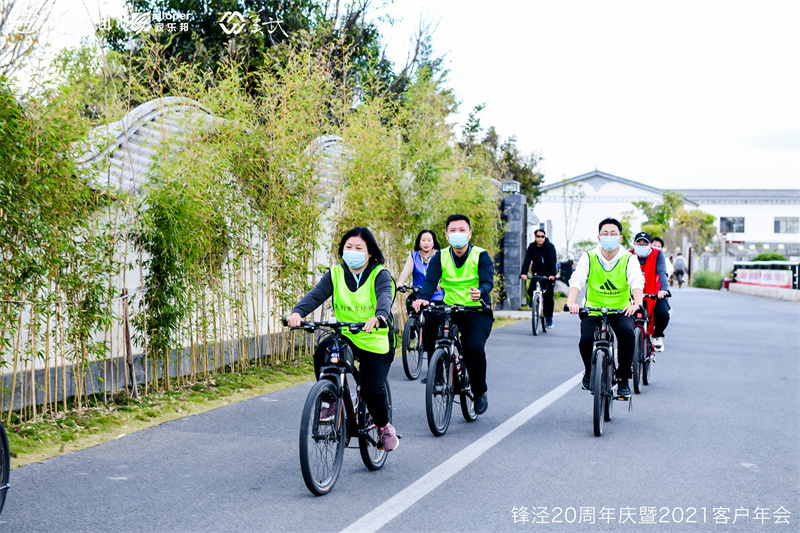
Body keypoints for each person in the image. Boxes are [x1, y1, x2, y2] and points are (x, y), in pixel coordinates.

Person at [287, 227, 399, 451]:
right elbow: (317, 294)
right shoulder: (336, 274)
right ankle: (330, 399)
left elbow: (386, 296)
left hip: (374, 340)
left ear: (369, 253)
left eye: (359, 248)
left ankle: (384, 427)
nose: (353, 251)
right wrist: (298, 312)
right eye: (349, 247)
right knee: (323, 351)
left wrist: (379, 316)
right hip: (346, 335)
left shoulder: (380, 275)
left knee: (371, 389)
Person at [412, 214, 494, 414]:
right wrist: (423, 297)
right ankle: (438, 371)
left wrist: (480, 292)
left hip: (477, 310)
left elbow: (487, 281)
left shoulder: (481, 255)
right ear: (447, 236)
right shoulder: (440, 256)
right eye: (453, 230)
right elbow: (431, 280)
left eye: (462, 230)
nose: (458, 234)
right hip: (450, 308)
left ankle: (480, 391)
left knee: (472, 347)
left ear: (469, 234)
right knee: (430, 319)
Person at [566, 218, 644, 397]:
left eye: (613, 234)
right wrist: (572, 301)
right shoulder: (589, 256)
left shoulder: (628, 258)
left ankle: (623, 380)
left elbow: (636, 280)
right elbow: (577, 279)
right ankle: (589, 371)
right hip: (593, 309)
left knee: (626, 334)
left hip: (621, 310)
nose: (609, 237)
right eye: (605, 234)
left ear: (620, 238)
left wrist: (637, 303)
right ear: (599, 237)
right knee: (585, 340)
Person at [630, 232, 670, 351]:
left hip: (654, 293)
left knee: (663, 313)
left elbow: (662, 272)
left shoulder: (657, 254)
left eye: (645, 243)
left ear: (650, 245)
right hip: (633, 294)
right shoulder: (628, 255)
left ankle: (657, 336)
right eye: (639, 243)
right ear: (634, 244)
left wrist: (664, 289)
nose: (641, 246)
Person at [520, 228, 558, 328]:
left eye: (542, 236)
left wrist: (552, 275)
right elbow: (527, 260)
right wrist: (523, 273)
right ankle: (534, 303)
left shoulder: (550, 247)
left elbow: (552, 262)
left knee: (548, 297)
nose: (540, 238)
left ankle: (549, 318)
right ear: (535, 237)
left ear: (544, 237)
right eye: (538, 236)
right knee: (530, 290)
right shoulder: (532, 247)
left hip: (548, 275)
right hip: (536, 273)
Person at [396, 229, 445, 303]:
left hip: (437, 295)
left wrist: (438, 281)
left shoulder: (440, 254)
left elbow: (446, 272)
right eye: (423, 240)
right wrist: (400, 283)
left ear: (433, 243)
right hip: (418, 295)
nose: (426, 243)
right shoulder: (414, 256)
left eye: (429, 240)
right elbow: (406, 271)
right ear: (419, 243)